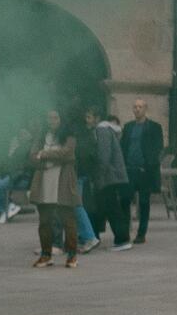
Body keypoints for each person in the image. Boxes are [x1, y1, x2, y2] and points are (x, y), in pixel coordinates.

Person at [28, 110, 81, 269]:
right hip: (44, 182)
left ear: (61, 119)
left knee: (67, 219)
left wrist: (44, 154)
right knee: (44, 221)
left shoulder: (69, 136)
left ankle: (72, 255)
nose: (52, 120)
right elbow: (32, 155)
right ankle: (46, 254)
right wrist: (44, 156)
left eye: (55, 117)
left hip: (62, 182)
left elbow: (67, 153)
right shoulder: (41, 135)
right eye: (49, 117)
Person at [119, 99, 163, 245]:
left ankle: (141, 233)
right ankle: (125, 231)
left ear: (145, 109)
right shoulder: (128, 127)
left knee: (144, 202)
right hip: (129, 169)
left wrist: (149, 164)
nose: (137, 109)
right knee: (125, 200)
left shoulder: (154, 127)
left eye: (140, 107)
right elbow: (123, 146)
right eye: (135, 106)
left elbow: (158, 148)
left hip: (144, 170)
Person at [91, 107, 130, 251]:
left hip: (108, 176)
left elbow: (104, 156)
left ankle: (122, 239)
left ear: (97, 118)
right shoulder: (107, 130)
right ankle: (117, 237)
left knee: (113, 208)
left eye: (90, 117)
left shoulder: (102, 130)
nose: (88, 121)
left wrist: (99, 176)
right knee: (109, 207)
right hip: (112, 175)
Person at [72, 108, 101, 253]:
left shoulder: (83, 134)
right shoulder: (88, 134)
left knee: (76, 205)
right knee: (77, 205)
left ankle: (89, 236)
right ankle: (84, 236)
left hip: (79, 174)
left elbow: (86, 155)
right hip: (83, 174)